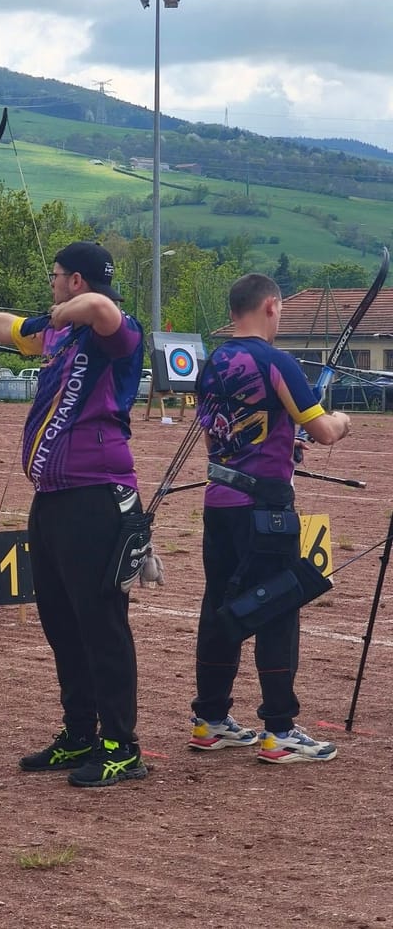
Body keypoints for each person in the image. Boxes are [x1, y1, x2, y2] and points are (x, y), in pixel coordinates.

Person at [0, 241, 147, 788]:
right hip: (53, 498)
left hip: (96, 497)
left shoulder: (117, 332)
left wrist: (59, 314)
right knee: (61, 621)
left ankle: (121, 746)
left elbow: (100, 308)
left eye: (56, 275)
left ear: (75, 280)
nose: (51, 282)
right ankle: (79, 733)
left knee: (100, 624)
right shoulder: (60, 333)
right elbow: (7, 327)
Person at [189, 272, 351, 764]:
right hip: (264, 510)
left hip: (220, 502)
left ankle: (210, 720)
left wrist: (284, 443)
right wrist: (342, 421)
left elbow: (223, 435)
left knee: (220, 606)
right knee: (277, 608)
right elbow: (324, 431)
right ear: (272, 307)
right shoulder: (276, 361)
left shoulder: (212, 363)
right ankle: (279, 729)